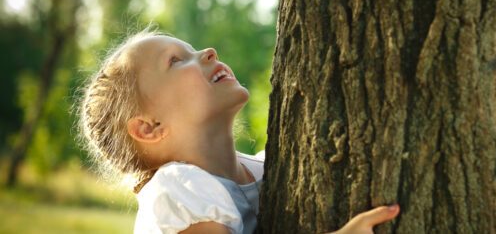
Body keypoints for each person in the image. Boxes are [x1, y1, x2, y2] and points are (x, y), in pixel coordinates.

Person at [77, 27, 400, 234]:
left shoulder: (268, 166)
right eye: (176, 61)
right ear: (149, 127)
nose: (208, 51)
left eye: (192, 49)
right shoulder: (179, 194)